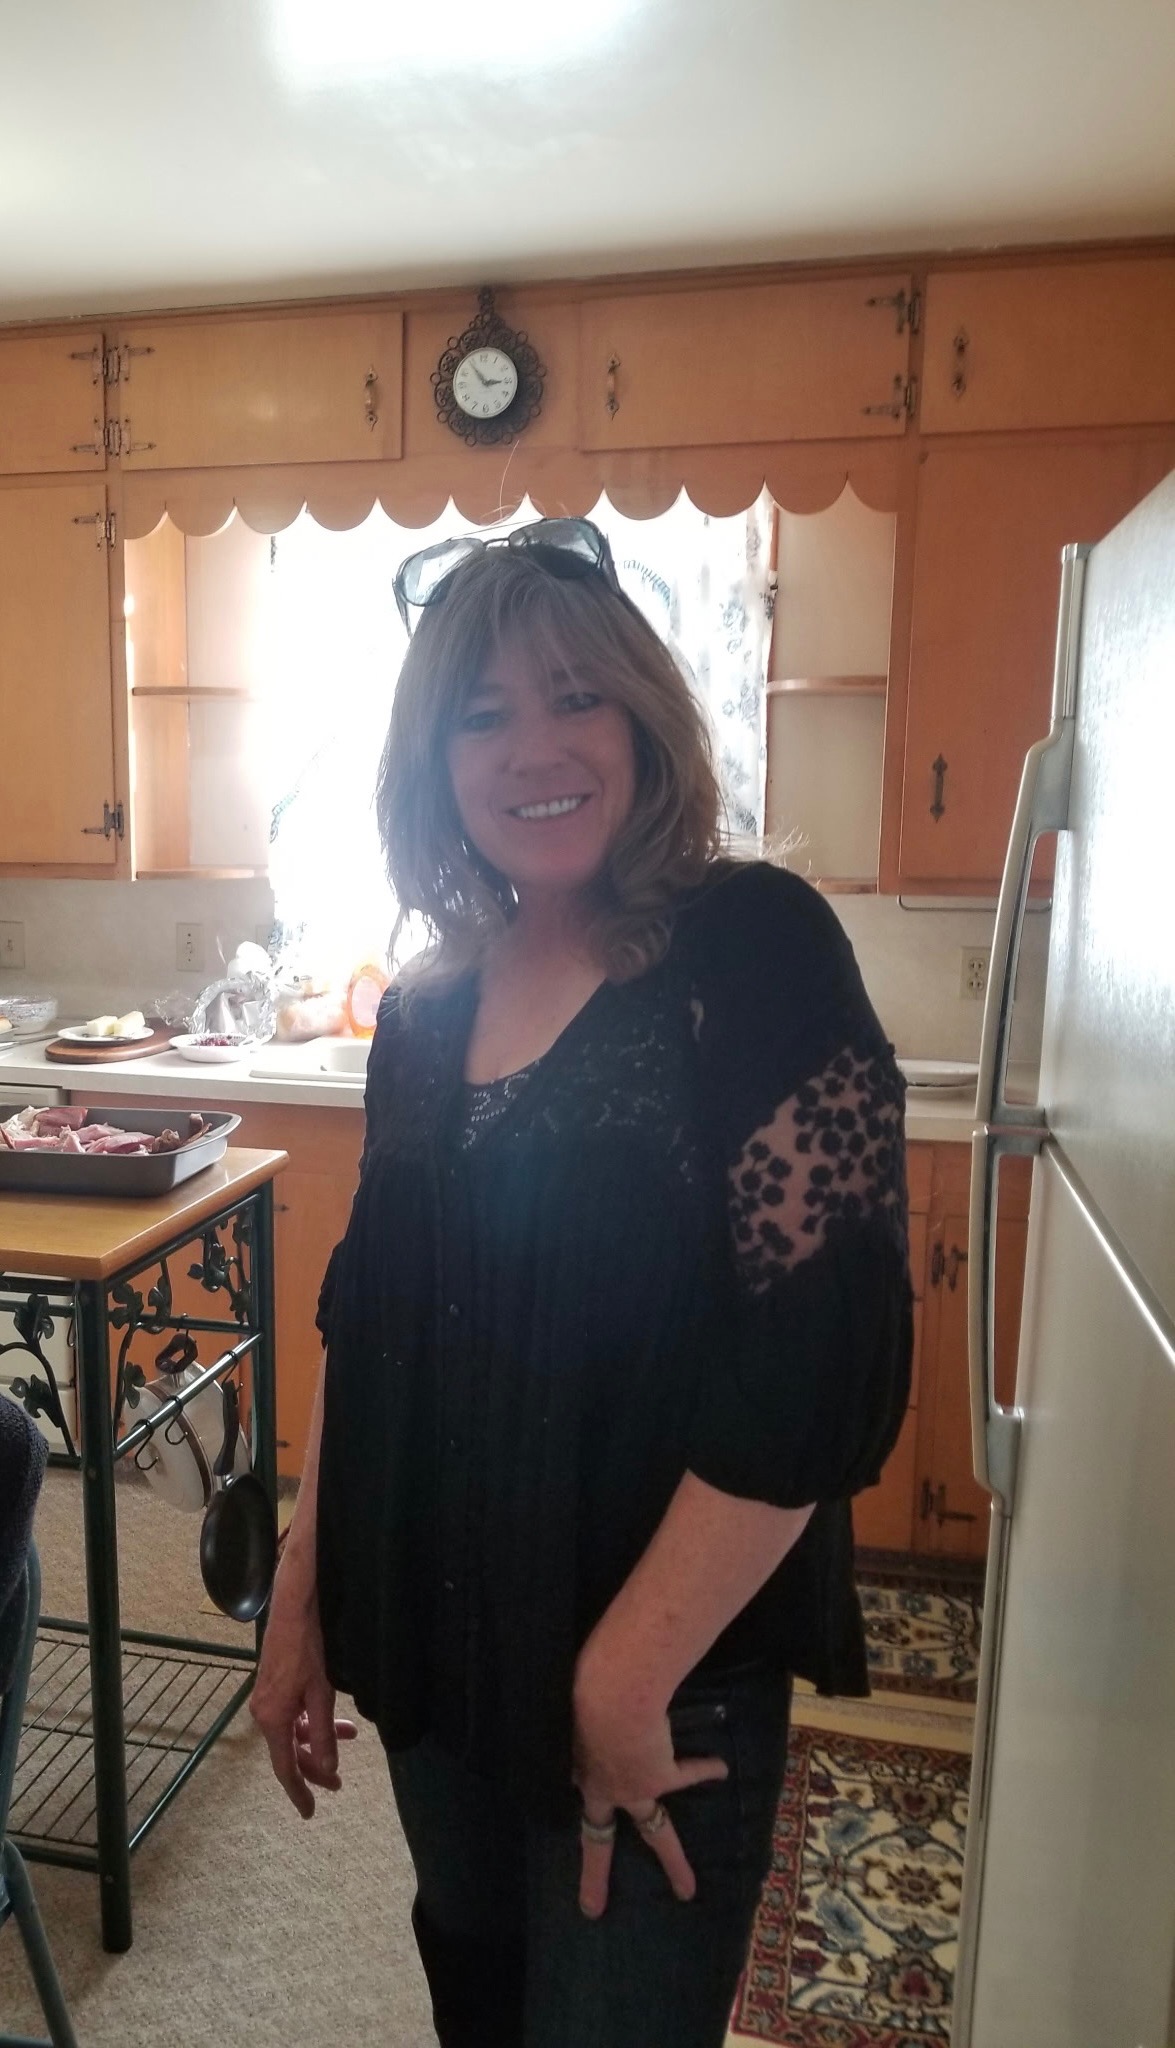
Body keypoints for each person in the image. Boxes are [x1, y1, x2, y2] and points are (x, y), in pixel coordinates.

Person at [251, 516, 913, 2048]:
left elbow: (819, 1356)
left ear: (643, 719)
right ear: (434, 763)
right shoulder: (424, 1008)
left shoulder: (752, 947)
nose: (534, 749)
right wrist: (302, 1592)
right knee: (478, 2005)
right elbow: (369, 1317)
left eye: (575, 698)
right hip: (441, 1643)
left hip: (672, 1676)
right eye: (482, 715)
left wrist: (622, 1676)